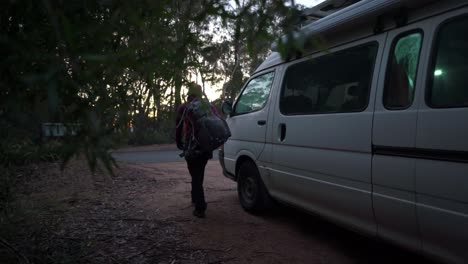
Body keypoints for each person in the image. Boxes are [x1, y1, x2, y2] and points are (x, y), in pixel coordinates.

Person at [175, 83, 220, 218]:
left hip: (191, 145)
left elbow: (178, 126)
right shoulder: (209, 106)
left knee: (195, 174)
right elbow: (218, 120)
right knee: (198, 173)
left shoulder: (184, 107)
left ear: (189, 93)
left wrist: (178, 142)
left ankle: (200, 207)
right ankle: (195, 198)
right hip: (206, 145)